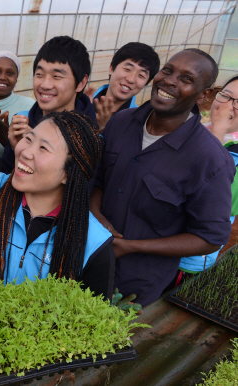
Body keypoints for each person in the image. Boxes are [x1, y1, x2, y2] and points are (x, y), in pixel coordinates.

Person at [90, 49, 235, 306]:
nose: (169, 80)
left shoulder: (210, 160)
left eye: (186, 79)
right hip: (86, 259)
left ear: (204, 95)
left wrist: (132, 246)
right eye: (167, 70)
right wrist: (97, 217)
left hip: (134, 285)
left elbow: (210, 237)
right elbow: (98, 180)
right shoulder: (120, 122)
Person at [0, 111, 113, 300]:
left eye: (43, 148)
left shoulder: (93, 245)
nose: (25, 152)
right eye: (28, 139)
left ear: (68, 174)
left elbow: (91, 323)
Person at [167, 76, 238, 289]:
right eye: (225, 95)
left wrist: (218, 132)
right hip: (155, 241)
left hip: (186, 260)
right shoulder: (194, 128)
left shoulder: (232, 150)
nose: (228, 106)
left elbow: (207, 194)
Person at [1, 36, 96, 174]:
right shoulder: (22, 121)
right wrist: (16, 150)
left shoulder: (90, 138)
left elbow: (80, 191)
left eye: (57, 76)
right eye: (39, 74)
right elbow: (6, 177)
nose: (45, 85)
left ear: (81, 83)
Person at [89, 42, 160, 132]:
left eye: (141, 75)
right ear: (111, 68)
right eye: (127, 69)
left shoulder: (140, 124)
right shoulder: (85, 101)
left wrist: (103, 129)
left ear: (146, 83)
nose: (131, 79)